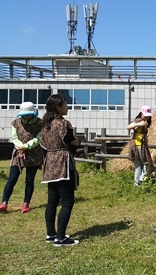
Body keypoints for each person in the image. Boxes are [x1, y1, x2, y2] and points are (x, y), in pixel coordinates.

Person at [40, 94, 81, 246]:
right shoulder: (63, 123)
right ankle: (61, 237)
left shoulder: (45, 124)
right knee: (67, 201)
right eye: (65, 104)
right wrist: (77, 143)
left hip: (50, 162)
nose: (67, 106)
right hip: (63, 161)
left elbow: (43, 145)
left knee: (52, 202)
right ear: (58, 107)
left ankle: (51, 234)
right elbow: (71, 142)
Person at [0, 102, 42, 213]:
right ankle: (4, 202)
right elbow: (14, 137)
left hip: (33, 154)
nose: (26, 116)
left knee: (29, 180)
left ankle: (26, 203)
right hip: (18, 154)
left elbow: (38, 138)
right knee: (12, 179)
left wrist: (26, 147)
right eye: (24, 114)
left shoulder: (39, 123)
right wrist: (20, 148)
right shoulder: (16, 122)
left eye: (28, 114)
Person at [127, 105, 153, 186]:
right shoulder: (138, 120)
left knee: (138, 167)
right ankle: (141, 179)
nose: (147, 117)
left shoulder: (145, 122)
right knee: (148, 163)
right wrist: (138, 124)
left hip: (138, 145)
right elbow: (128, 127)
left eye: (148, 116)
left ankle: (137, 185)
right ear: (141, 113)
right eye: (146, 115)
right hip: (139, 145)